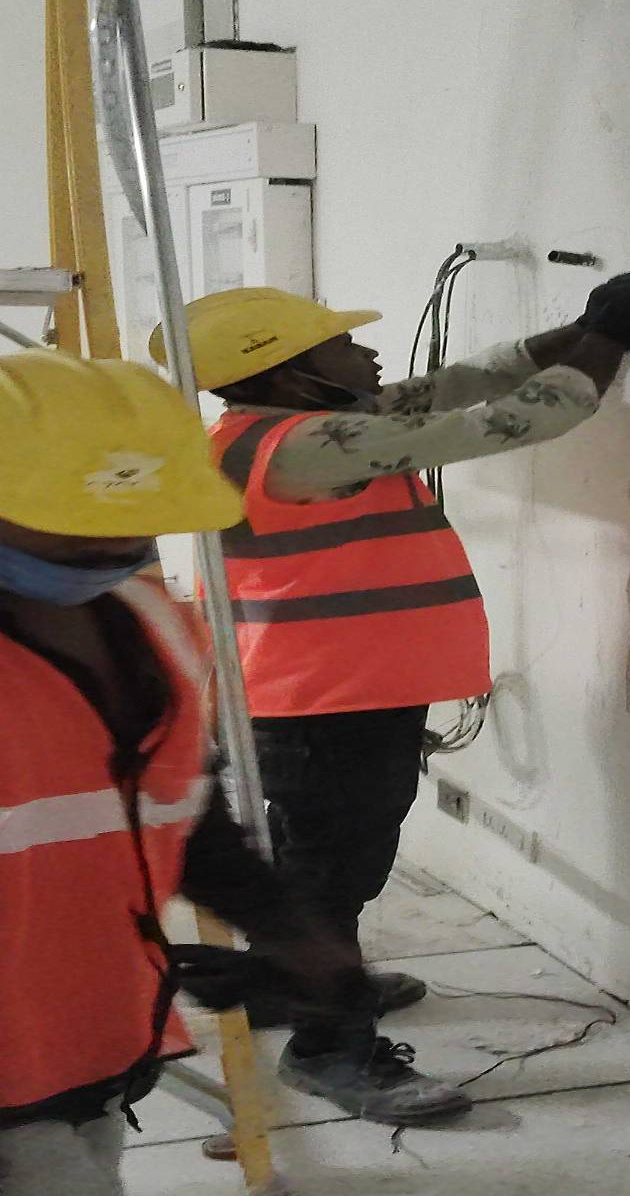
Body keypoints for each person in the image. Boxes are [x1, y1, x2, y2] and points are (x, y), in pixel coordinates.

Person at [153, 269, 630, 1125]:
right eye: (340, 343)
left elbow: (458, 384)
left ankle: (288, 985)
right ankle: (331, 1047)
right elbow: (514, 418)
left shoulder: (284, 425)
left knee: (323, 859)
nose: (365, 352)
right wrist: (610, 338)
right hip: (325, 699)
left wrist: (579, 327)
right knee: (334, 873)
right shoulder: (300, 448)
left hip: (331, 691)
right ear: (290, 373)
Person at [0, 351, 375, 1196]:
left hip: (89, 1034)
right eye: (69, 520)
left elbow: (182, 809)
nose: (107, 544)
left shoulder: (152, 623)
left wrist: (295, 938)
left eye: (131, 519)